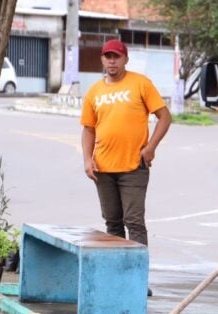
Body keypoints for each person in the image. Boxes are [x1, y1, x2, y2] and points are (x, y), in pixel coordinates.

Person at [81, 39, 171, 296]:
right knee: (113, 224)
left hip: (134, 166)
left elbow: (165, 117)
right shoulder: (94, 91)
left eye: (116, 56)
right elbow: (88, 129)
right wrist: (88, 160)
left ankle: (137, 281)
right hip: (103, 169)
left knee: (134, 222)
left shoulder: (140, 83)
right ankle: (117, 280)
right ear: (102, 59)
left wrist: (151, 147)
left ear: (125, 59)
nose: (112, 61)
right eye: (107, 56)